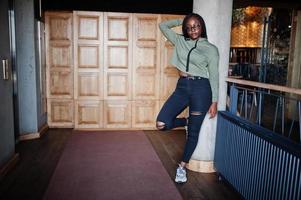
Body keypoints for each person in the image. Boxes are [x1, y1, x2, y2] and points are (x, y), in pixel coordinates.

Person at [156, 13, 219, 183]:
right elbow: (163, 26)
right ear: (185, 28)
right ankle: (185, 121)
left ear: (202, 26)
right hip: (182, 87)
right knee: (162, 123)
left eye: (196, 25)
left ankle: (182, 167)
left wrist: (214, 101)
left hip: (202, 89)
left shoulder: (211, 49)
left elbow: (214, 75)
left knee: (194, 133)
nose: (193, 30)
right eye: (189, 26)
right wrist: (182, 20)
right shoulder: (180, 41)